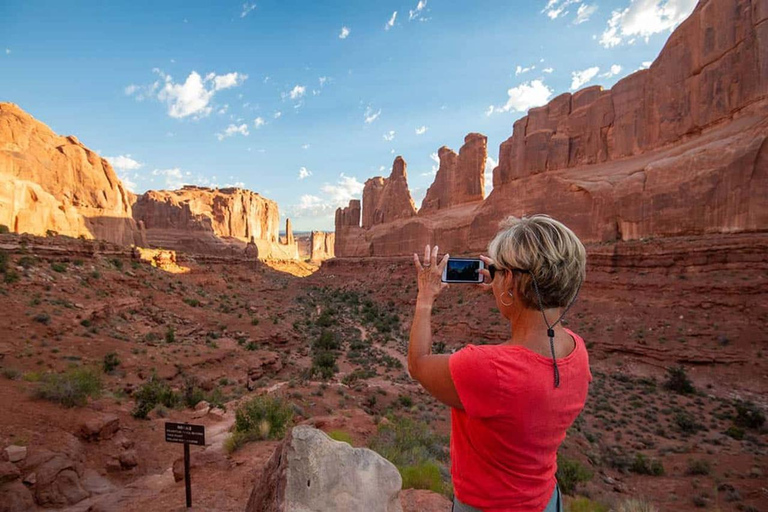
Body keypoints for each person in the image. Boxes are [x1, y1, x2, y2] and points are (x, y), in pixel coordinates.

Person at [408, 215, 591, 512]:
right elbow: (532, 330)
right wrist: (507, 288)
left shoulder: (486, 368)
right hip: (546, 501)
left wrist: (425, 297)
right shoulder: (576, 349)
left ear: (510, 279)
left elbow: (418, 363)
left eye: (499, 271)